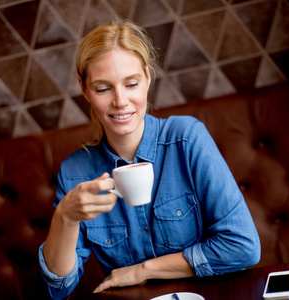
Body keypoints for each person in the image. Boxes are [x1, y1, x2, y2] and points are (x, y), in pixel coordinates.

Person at [38, 18, 260, 299]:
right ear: (84, 89)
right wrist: (65, 217)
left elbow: (243, 247)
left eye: (131, 83)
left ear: (147, 77)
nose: (120, 101)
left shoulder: (186, 138)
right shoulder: (75, 172)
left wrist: (143, 270)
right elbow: (58, 288)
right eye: (103, 89)